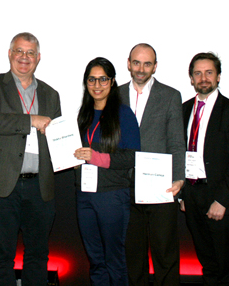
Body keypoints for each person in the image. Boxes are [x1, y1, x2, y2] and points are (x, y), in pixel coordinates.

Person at [0, 32, 61, 286]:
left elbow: (56, 138)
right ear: (10, 54)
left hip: (39, 186)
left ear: (38, 58)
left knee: (38, 255)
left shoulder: (50, 94)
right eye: (19, 51)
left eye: (30, 53)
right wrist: (30, 120)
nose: (24, 57)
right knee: (1, 256)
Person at [119, 44, 185, 286]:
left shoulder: (170, 96)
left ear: (155, 66)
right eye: (136, 62)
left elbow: (177, 142)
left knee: (165, 254)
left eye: (147, 64)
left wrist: (179, 178)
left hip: (161, 186)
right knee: (132, 255)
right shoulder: (114, 95)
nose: (141, 68)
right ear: (128, 63)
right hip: (123, 186)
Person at [180, 52, 229, 286]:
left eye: (209, 72)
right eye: (198, 73)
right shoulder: (184, 110)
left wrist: (222, 200)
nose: (203, 78)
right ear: (191, 78)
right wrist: (183, 194)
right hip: (192, 194)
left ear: (218, 77)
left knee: (226, 268)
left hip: (221, 197)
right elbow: (180, 153)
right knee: (207, 263)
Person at [73, 57, 140, 286]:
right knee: (96, 260)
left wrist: (95, 157)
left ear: (112, 82)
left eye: (103, 79)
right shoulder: (84, 114)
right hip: (85, 195)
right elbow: (80, 152)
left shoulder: (124, 114)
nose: (97, 84)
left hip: (112, 195)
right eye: (92, 79)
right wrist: (74, 160)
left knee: (114, 260)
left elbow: (131, 157)